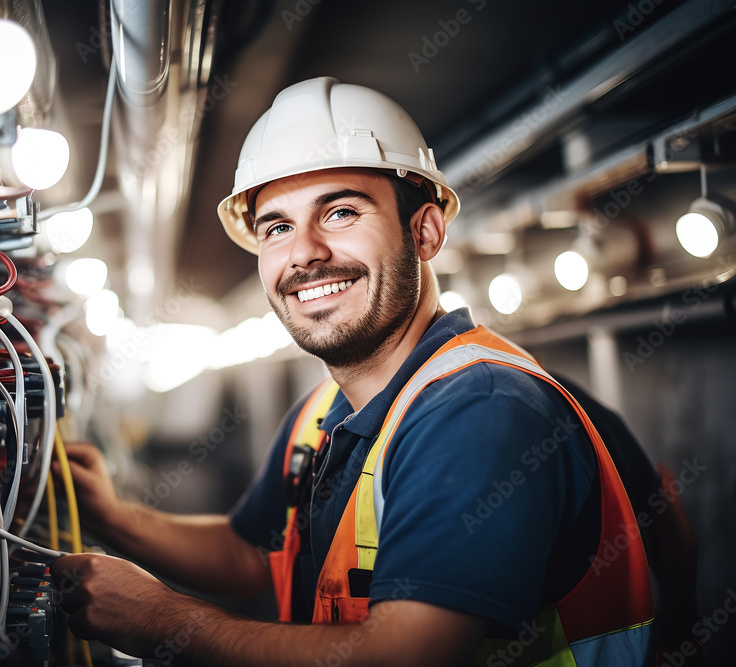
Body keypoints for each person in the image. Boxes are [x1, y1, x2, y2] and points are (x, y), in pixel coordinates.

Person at [52, 77, 656, 666]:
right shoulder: (324, 412)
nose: (305, 252)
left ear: (424, 231)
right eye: (278, 227)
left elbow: (403, 655)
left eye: (340, 212)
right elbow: (251, 552)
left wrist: (168, 623)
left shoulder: (482, 409)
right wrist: (109, 512)